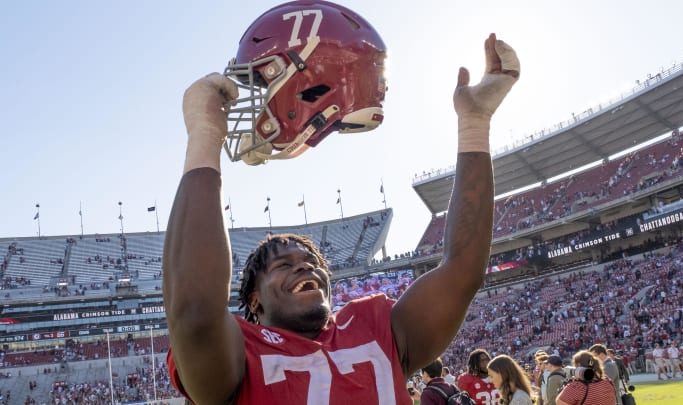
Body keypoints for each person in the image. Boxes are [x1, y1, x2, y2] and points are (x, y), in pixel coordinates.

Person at [162, 1, 521, 404]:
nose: (304, 265)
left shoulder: (376, 327)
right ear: (254, 300)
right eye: (283, 265)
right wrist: (205, 136)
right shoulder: (238, 356)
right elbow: (194, 311)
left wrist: (474, 125)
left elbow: (462, 271)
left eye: (311, 262)